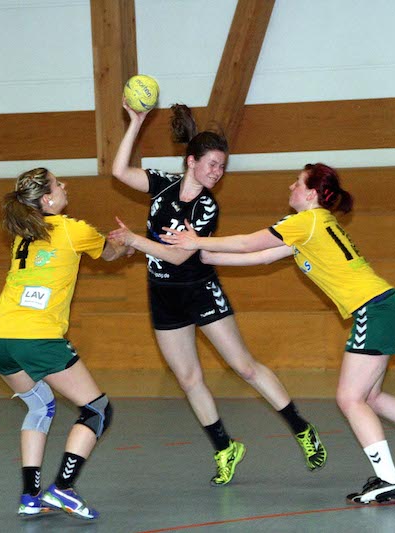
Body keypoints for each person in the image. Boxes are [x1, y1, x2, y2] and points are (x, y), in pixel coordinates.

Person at [160, 162, 395, 504]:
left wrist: (197, 239)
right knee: (371, 397)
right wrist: (201, 254)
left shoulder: (305, 222)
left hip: (374, 309)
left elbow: (247, 243)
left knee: (350, 399)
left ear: (311, 193)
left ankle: (389, 480)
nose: (291, 187)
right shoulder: (315, 225)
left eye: (297, 182)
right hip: (386, 306)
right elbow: (261, 257)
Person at [108, 102, 327, 486]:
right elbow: (119, 171)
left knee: (244, 367)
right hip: (162, 293)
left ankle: (301, 428)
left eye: (222, 166)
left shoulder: (206, 206)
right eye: (212, 164)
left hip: (200, 291)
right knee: (188, 378)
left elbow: (178, 256)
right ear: (190, 161)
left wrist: (134, 240)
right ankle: (225, 447)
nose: (217, 172)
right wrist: (136, 122)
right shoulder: (163, 184)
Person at [0, 167, 130, 520]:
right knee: (97, 410)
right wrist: (127, 242)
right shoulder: (72, 229)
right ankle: (63, 488)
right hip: (37, 337)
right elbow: (110, 254)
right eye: (57, 183)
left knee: (40, 407)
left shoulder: (23, 235)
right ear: (48, 199)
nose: (65, 185)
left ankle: (30, 496)